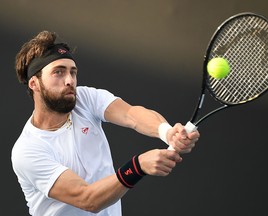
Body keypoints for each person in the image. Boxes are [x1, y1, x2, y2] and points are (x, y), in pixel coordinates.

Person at [11, 30, 200, 216]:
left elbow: (131, 114)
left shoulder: (84, 98)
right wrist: (138, 165)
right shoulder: (27, 151)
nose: (70, 80)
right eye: (58, 72)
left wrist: (167, 132)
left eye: (73, 72)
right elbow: (88, 199)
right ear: (34, 83)